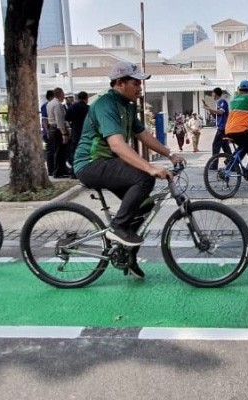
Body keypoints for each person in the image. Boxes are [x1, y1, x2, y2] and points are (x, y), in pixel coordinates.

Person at [73, 61, 185, 278]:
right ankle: (118, 227)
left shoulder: (127, 105)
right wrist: (149, 167)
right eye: (136, 83)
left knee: (144, 205)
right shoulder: (106, 104)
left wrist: (170, 154)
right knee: (143, 178)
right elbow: (116, 144)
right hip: (90, 163)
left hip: (108, 163)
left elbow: (143, 135)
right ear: (120, 83)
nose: (140, 88)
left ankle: (127, 256)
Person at [203, 87, 231, 169]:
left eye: (213, 93)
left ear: (216, 93)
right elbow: (217, 116)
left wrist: (209, 108)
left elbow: (221, 112)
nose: (212, 95)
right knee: (225, 146)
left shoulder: (222, 102)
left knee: (215, 145)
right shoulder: (218, 103)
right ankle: (232, 164)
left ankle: (214, 165)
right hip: (222, 127)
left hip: (222, 128)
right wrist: (209, 110)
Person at [46, 87, 70, 178]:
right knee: (60, 151)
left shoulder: (49, 103)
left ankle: (61, 169)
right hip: (57, 129)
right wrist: (64, 133)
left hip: (52, 128)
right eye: (63, 94)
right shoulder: (57, 105)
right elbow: (59, 120)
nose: (64, 96)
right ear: (59, 94)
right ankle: (58, 171)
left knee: (57, 150)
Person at [66, 91, 90, 178]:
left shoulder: (72, 107)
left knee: (74, 151)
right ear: (86, 98)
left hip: (75, 131)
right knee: (85, 151)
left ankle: (73, 171)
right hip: (86, 132)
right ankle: (83, 170)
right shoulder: (88, 108)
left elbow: (67, 118)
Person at [40, 90, 54, 172]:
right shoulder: (46, 106)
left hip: (50, 131)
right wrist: (47, 131)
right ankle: (51, 169)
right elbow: (44, 119)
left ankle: (53, 167)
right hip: (49, 131)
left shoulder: (48, 105)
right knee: (50, 151)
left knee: (52, 150)